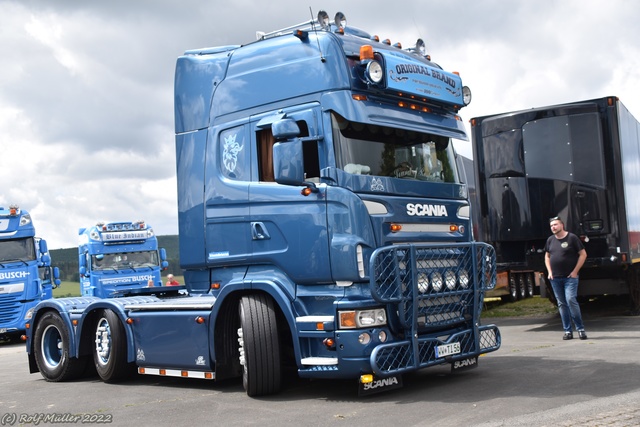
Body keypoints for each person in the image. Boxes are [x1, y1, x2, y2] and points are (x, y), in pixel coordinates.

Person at [544, 216, 588, 340]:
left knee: (570, 300)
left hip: (570, 278)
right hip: (555, 278)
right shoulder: (550, 240)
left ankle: (580, 329)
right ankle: (567, 331)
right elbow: (547, 256)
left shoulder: (572, 238)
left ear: (562, 225)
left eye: (555, 224)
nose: (553, 227)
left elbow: (583, 255)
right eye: (551, 225)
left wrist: (575, 272)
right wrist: (549, 272)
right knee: (562, 304)